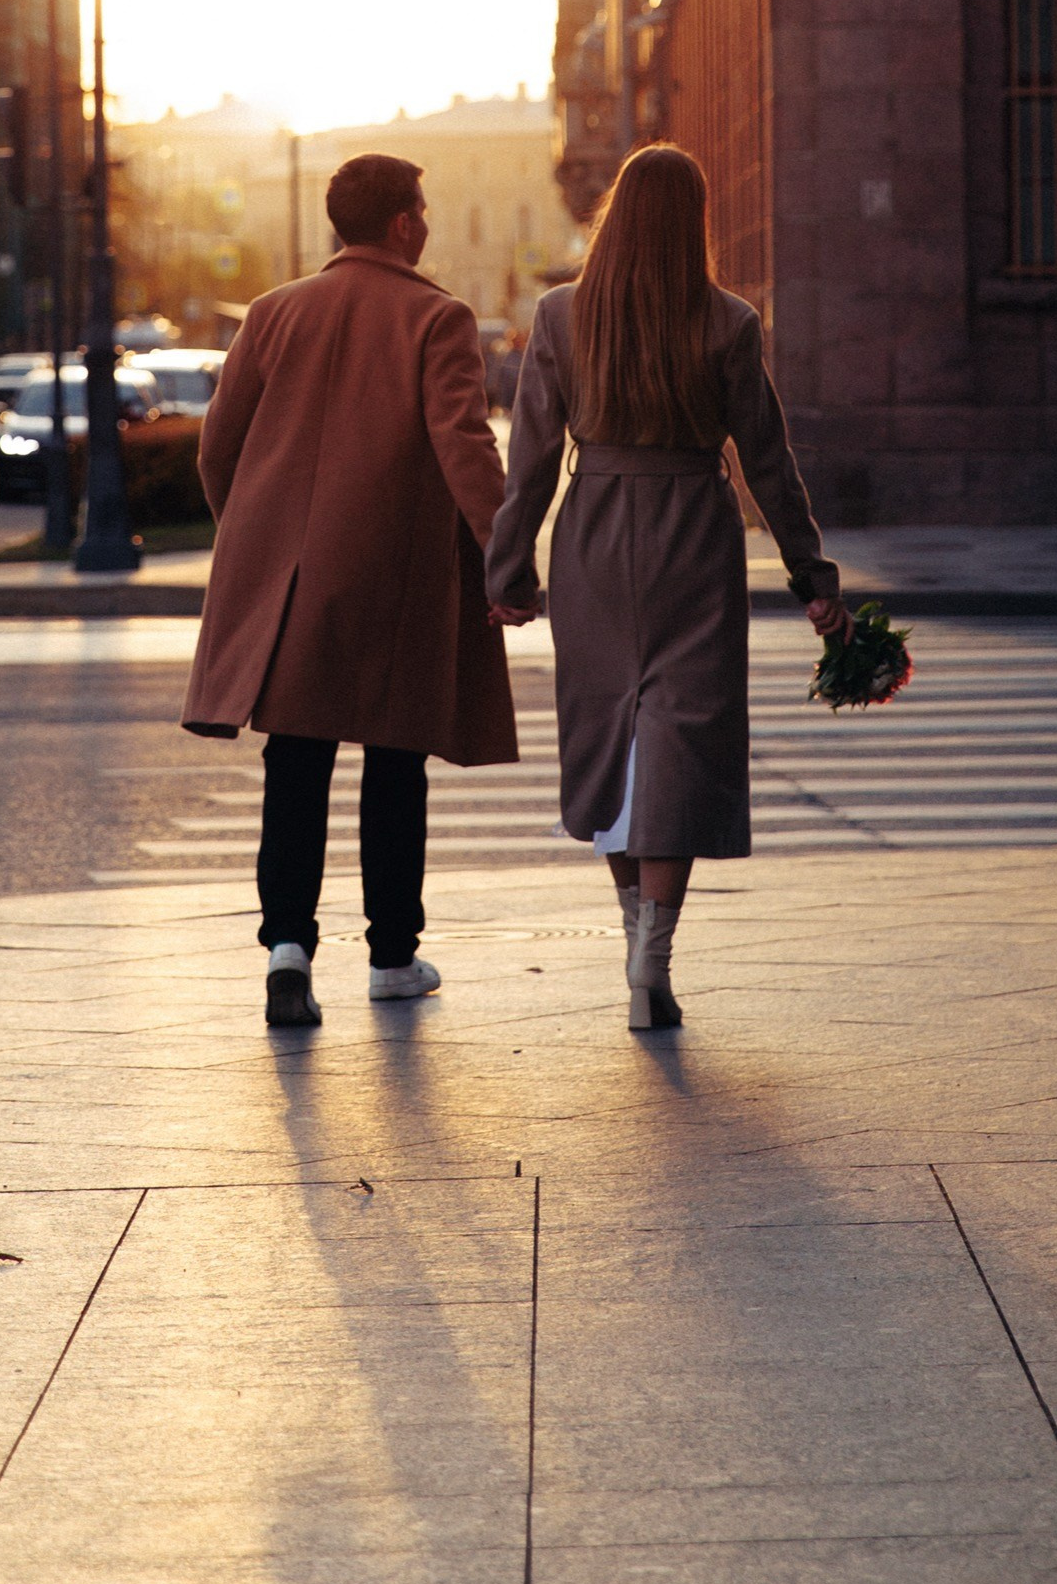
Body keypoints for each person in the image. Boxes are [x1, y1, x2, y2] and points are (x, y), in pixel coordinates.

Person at [482, 144, 851, 1032]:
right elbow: (768, 461)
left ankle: (632, 936)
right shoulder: (728, 321)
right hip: (694, 540)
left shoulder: (561, 315)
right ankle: (654, 958)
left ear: (613, 216)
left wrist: (509, 569)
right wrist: (812, 576)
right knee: (679, 748)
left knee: (609, 737)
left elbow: (530, 463)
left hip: (595, 540)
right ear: (694, 222)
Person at [183, 152, 516, 1026]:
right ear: (403, 224)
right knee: (395, 761)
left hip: (289, 578)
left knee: (294, 761)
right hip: (393, 573)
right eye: (423, 210)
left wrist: (251, 537)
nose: (427, 222)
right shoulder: (437, 317)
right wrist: (506, 554)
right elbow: (464, 444)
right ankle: (392, 957)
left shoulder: (273, 312)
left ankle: (287, 951)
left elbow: (218, 446)